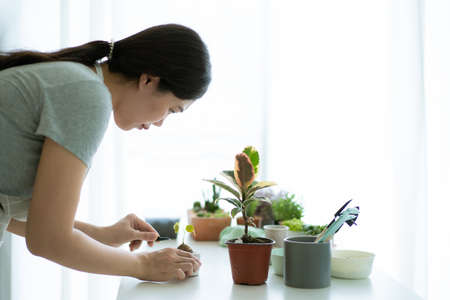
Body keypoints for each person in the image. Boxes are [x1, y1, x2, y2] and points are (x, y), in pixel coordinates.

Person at [0, 23, 211, 281]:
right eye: (172, 109)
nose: (160, 123)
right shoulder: (87, 94)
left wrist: (102, 235)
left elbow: (25, 220)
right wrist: (144, 265)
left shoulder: (78, 79)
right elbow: (48, 240)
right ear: (148, 80)